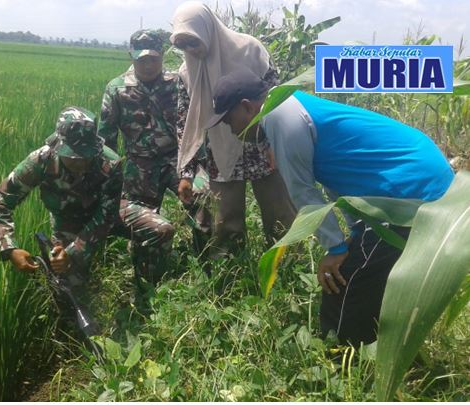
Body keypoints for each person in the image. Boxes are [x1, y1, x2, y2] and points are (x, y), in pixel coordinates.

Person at [207, 68, 455, 346]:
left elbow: (302, 191)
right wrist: (353, 232)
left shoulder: (279, 116)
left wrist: (335, 248)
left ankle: (342, 357)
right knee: (363, 267)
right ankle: (381, 340)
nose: (232, 130)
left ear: (247, 107)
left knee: (342, 282)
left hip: (410, 189)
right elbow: (339, 177)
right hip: (408, 181)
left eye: (230, 121)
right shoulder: (290, 105)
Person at [170, 1, 296, 257]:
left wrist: (274, 142)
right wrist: (186, 172)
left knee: (279, 210)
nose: (189, 50)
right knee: (226, 218)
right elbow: (187, 121)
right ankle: (232, 270)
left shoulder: (250, 50)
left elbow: (276, 98)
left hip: (261, 146)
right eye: (181, 45)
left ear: (207, 29)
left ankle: (286, 263)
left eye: (192, 41)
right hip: (219, 149)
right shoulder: (186, 71)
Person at [0, 107, 127, 322]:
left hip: (110, 213)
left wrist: (72, 252)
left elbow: (106, 216)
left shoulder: (111, 163)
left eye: (86, 156)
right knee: (66, 288)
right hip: (67, 221)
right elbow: (0, 203)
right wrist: (9, 248)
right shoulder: (40, 161)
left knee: (157, 229)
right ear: (57, 147)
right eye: (73, 157)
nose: (80, 163)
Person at [98, 29, 212, 285]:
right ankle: (148, 282)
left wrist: (194, 166)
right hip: (139, 165)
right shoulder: (117, 89)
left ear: (162, 56)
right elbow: (105, 139)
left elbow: (192, 125)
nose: (148, 65)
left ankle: (206, 267)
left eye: (153, 59)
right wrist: (108, 180)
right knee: (147, 225)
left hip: (177, 160)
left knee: (204, 200)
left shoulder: (176, 83)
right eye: (141, 60)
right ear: (131, 56)